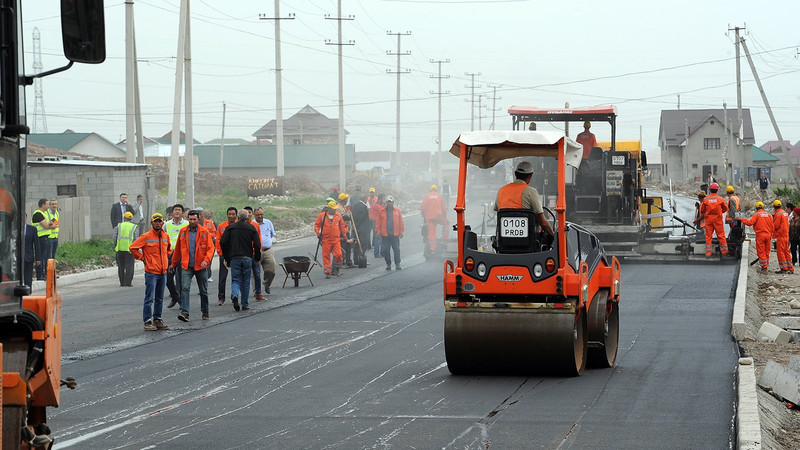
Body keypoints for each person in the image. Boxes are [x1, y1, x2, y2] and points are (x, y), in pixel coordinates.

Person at [129, 213, 171, 331]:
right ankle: (147, 321)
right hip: (151, 272)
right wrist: (143, 258)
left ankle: (157, 319)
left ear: (162, 223)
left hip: (163, 272)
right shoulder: (146, 236)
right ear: (151, 223)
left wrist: (166, 258)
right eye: (155, 221)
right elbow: (133, 248)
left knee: (159, 298)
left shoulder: (165, 236)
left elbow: (168, 249)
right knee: (149, 298)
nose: (158, 223)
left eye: (159, 221)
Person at [170, 210, 214, 321]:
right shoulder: (183, 232)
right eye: (190, 219)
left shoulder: (204, 232)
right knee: (184, 289)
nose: (192, 221)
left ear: (198, 219)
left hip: (201, 266)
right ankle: (185, 313)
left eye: (194, 219)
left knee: (203, 290)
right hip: (187, 266)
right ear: (188, 220)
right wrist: (173, 264)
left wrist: (206, 260)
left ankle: (205, 311)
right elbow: (178, 250)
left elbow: (210, 248)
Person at [493, 161, 555, 236]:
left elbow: (496, 208)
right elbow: (543, 223)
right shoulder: (530, 191)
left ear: (515, 174)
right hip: (527, 241)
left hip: (503, 239)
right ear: (530, 176)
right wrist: (552, 234)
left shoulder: (502, 190)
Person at [220, 209, 260, 311]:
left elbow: (223, 242)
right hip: (247, 258)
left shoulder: (230, 228)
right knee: (246, 281)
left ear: (238, 217)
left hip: (234, 258)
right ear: (247, 218)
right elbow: (257, 244)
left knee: (235, 279)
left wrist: (227, 257)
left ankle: (234, 294)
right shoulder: (251, 228)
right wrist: (257, 258)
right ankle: (245, 304)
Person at [315, 200, 349, 278]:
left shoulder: (338, 215)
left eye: (335, 209)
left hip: (336, 239)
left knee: (338, 254)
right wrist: (318, 233)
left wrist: (345, 236)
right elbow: (317, 225)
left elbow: (342, 227)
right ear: (329, 209)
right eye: (333, 209)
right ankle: (327, 272)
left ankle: (336, 269)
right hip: (326, 239)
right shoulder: (322, 216)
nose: (335, 210)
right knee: (326, 256)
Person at [738, 202, 773, 272]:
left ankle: (764, 268)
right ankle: (766, 265)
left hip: (760, 236)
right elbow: (772, 226)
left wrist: (742, 219)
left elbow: (749, 223)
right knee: (767, 251)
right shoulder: (768, 215)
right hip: (768, 235)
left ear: (756, 208)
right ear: (763, 207)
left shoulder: (756, 215)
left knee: (761, 252)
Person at [165, 204, 188, 308]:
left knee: (181, 280)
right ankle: (175, 297)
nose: (177, 212)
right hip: (170, 255)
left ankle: (182, 302)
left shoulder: (187, 224)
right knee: (168, 279)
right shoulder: (166, 225)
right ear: (172, 212)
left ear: (182, 213)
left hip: (182, 254)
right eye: (175, 210)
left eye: (179, 210)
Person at [696, 182, 728, 257]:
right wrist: (720, 211)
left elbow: (703, 210)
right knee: (721, 235)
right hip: (718, 220)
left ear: (710, 189)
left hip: (709, 220)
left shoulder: (706, 199)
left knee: (708, 236)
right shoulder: (720, 199)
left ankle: (708, 252)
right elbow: (725, 208)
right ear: (717, 190)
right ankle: (724, 251)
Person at [215, 207, 237, 306]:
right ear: (227, 215)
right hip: (224, 255)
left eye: (233, 214)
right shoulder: (221, 226)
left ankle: (234, 296)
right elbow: (218, 240)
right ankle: (221, 297)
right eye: (229, 214)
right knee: (222, 277)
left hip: (236, 255)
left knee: (235, 277)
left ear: (236, 215)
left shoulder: (238, 226)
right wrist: (221, 254)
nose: (231, 216)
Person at [376, 195, 404, 270]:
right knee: (386, 251)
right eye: (388, 202)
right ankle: (388, 264)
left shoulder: (397, 211)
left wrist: (401, 231)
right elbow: (378, 223)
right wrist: (378, 232)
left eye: (390, 202)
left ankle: (397, 264)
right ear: (386, 202)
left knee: (396, 250)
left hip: (395, 234)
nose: (389, 203)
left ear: (393, 202)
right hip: (385, 235)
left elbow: (401, 222)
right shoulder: (381, 211)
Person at [254, 207, 277, 295]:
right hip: (256, 251)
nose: (260, 216)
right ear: (254, 214)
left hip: (267, 250)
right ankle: (257, 291)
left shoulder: (268, 223)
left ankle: (267, 284)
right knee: (255, 272)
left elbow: (272, 234)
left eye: (261, 214)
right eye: (258, 215)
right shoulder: (252, 224)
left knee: (271, 270)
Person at [420, 184, 450, 254]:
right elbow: (444, 209)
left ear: (430, 189)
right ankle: (444, 238)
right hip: (438, 216)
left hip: (429, 217)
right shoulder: (439, 197)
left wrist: (424, 215)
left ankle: (432, 249)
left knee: (431, 232)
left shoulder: (426, 197)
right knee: (446, 223)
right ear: (436, 190)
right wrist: (444, 216)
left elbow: (422, 208)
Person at [243, 206, 264, 300]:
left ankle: (258, 293)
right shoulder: (240, 225)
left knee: (257, 274)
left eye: (250, 212)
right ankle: (245, 295)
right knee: (245, 275)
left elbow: (259, 240)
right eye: (246, 212)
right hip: (244, 253)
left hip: (254, 253)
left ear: (252, 214)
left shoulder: (255, 226)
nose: (248, 214)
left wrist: (259, 251)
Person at [31, 198, 56, 280]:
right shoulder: (38, 214)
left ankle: (44, 274)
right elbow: (45, 226)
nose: (49, 206)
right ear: (43, 205)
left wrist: (50, 225)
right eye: (47, 204)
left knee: (45, 257)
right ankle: (40, 275)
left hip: (45, 237)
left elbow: (51, 224)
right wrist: (51, 226)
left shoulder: (45, 213)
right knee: (40, 257)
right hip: (40, 238)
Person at [113, 211, 139, 287]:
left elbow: (114, 237)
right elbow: (136, 239)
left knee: (121, 266)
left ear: (124, 218)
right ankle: (128, 282)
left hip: (120, 249)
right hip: (130, 250)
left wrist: (115, 246)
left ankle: (122, 282)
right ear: (131, 219)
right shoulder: (134, 227)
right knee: (129, 266)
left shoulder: (119, 226)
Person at [772, 199, 793, 274]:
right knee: (786, 251)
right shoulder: (784, 213)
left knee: (780, 252)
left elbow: (776, 225)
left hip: (781, 235)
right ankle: (790, 268)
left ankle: (784, 268)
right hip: (786, 235)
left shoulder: (778, 214)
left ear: (774, 207)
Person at [197, 207, 216, 281]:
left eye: (201, 214)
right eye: (198, 214)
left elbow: (214, 233)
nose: (199, 216)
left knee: (208, 260)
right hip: (198, 246)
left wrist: (206, 234)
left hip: (209, 245)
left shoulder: (209, 223)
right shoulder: (194, 223)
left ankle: (208, 276)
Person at [23, 213, 41, 288]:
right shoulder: (14, 229)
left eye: (24, 217)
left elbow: (37, 245)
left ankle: (28, 292)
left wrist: (38, 258)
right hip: (17, 258)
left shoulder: (32, 229)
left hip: (28, 257)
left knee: (28, 278)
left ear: (26, 218)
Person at [338, 193, 354, 267]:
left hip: (346, 230)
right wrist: (347, 211)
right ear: (343, 200)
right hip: (342, 231)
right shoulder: (338, 208)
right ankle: (342, 262)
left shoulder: (343, 207)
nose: (347, 200)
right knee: (343, 247)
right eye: (346, 199)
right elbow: (344, 218)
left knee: (348, 246)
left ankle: (348, 262)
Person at [371, 193, 385, 259]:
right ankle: (376, 253)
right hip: (377, 223)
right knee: (378, 238)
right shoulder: (376, 205)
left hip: (380, 223)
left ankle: (381, 252)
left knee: (381, 238)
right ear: (380, 199)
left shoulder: (379, 205)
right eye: (383, 199)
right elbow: (382, 210)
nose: (384, 200)